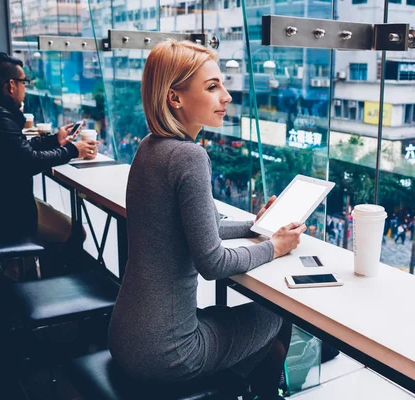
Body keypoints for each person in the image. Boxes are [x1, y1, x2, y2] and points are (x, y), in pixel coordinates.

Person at [108, 40, 306, 400]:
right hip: (167, 356)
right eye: (213, 87)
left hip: (124, 337)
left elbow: (203, 229)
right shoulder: (189, 156)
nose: (227, 96)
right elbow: (213, 262)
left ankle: (242, 386)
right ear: (175, 98)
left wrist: (256, 227)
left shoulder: (149, 147)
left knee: (220, 314)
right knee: (276, 316)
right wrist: (274, 248)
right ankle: (253, 391)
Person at [0, 51, 98, 245]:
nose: (25, 88)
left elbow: (18, 150)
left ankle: (24, 266)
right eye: (24, 82)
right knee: (76, 233)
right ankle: (43, 273)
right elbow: (28, 161)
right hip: (7, 213)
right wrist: (73, 150)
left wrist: (55, 140)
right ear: (11, 86)